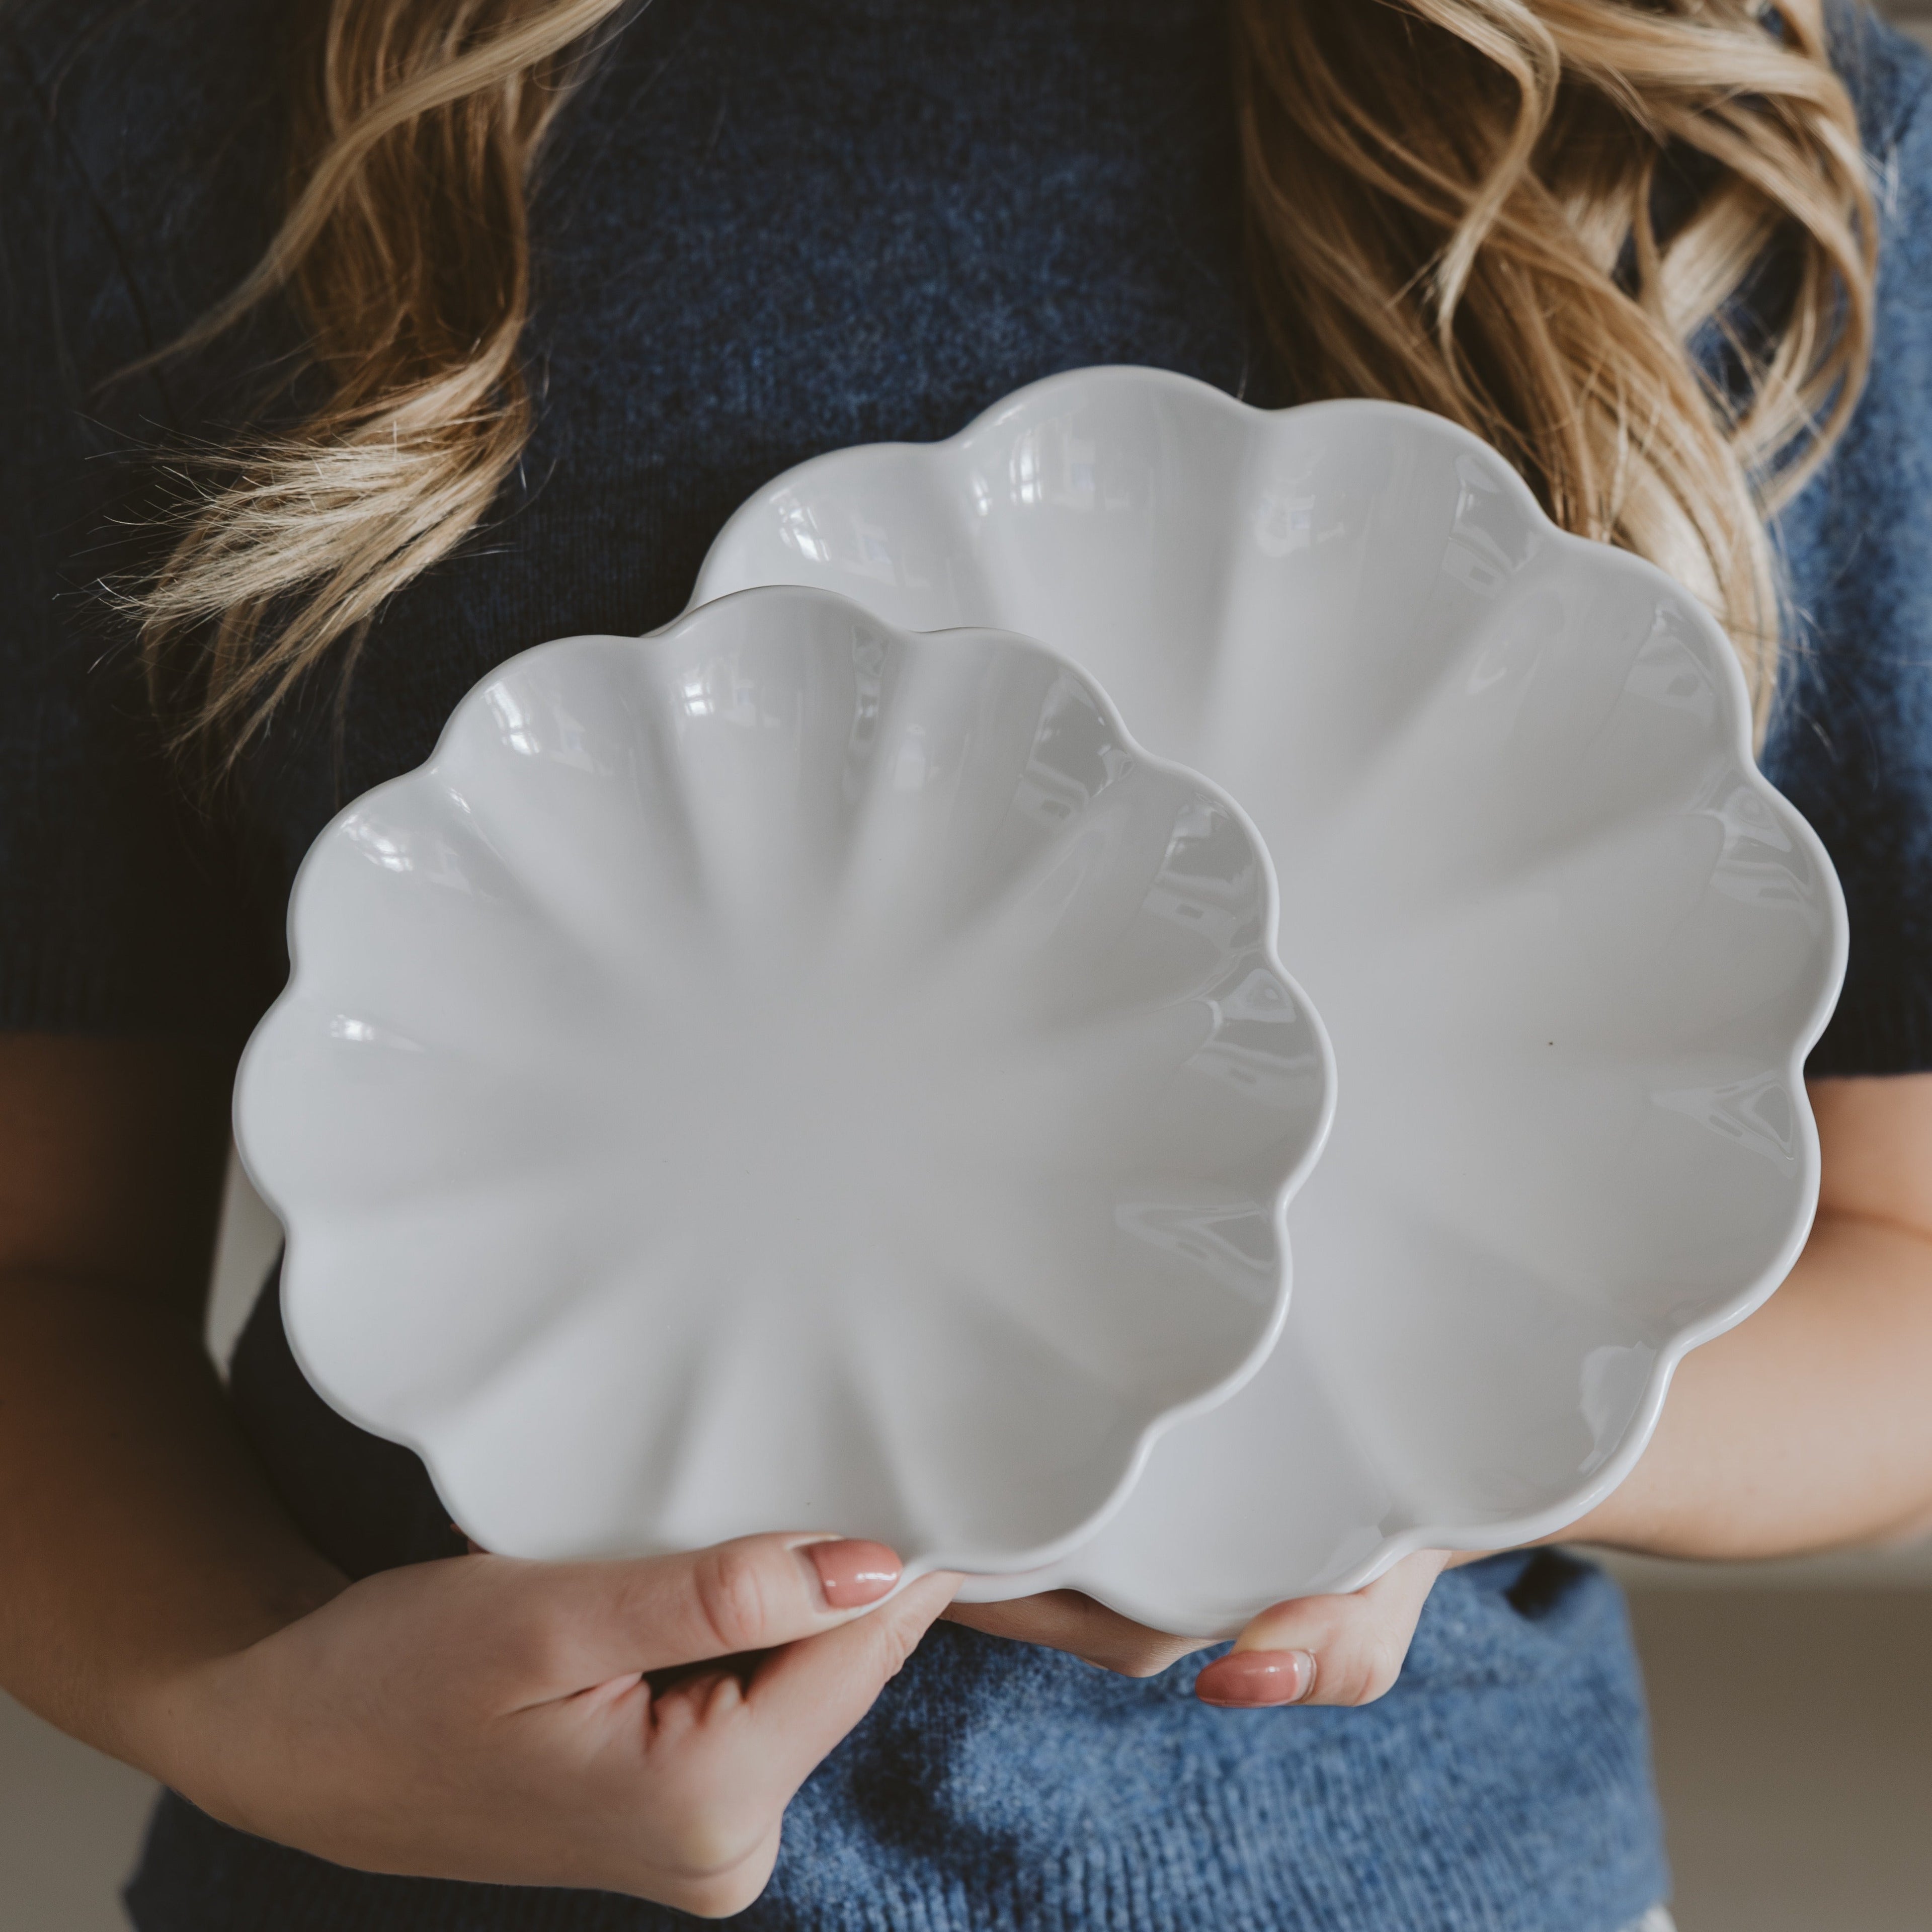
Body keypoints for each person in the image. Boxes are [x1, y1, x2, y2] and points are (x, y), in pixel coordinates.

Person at [2, 1, 1928, 1926]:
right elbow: (43, 1277)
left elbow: (1903, 1269)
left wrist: (1443, 1419)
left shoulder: (1739, 149)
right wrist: (253, 1708)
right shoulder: (174, 109)